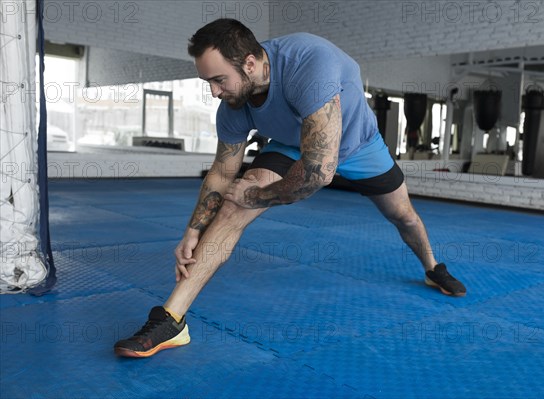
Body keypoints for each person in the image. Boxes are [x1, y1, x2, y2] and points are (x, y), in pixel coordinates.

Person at [113, 18, 466, 358]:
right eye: (208, 82)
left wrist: (256, 196)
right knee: (234, 204)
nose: (214, 92)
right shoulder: (234, 104)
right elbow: (222, 174)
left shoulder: (308, 63)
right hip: (291, 144)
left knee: (403, 217)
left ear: (250, 63)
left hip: (358, 146)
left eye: (219, 80)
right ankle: (171, 320)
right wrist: (193, 230)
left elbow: (318, 172)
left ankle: (433, 267)